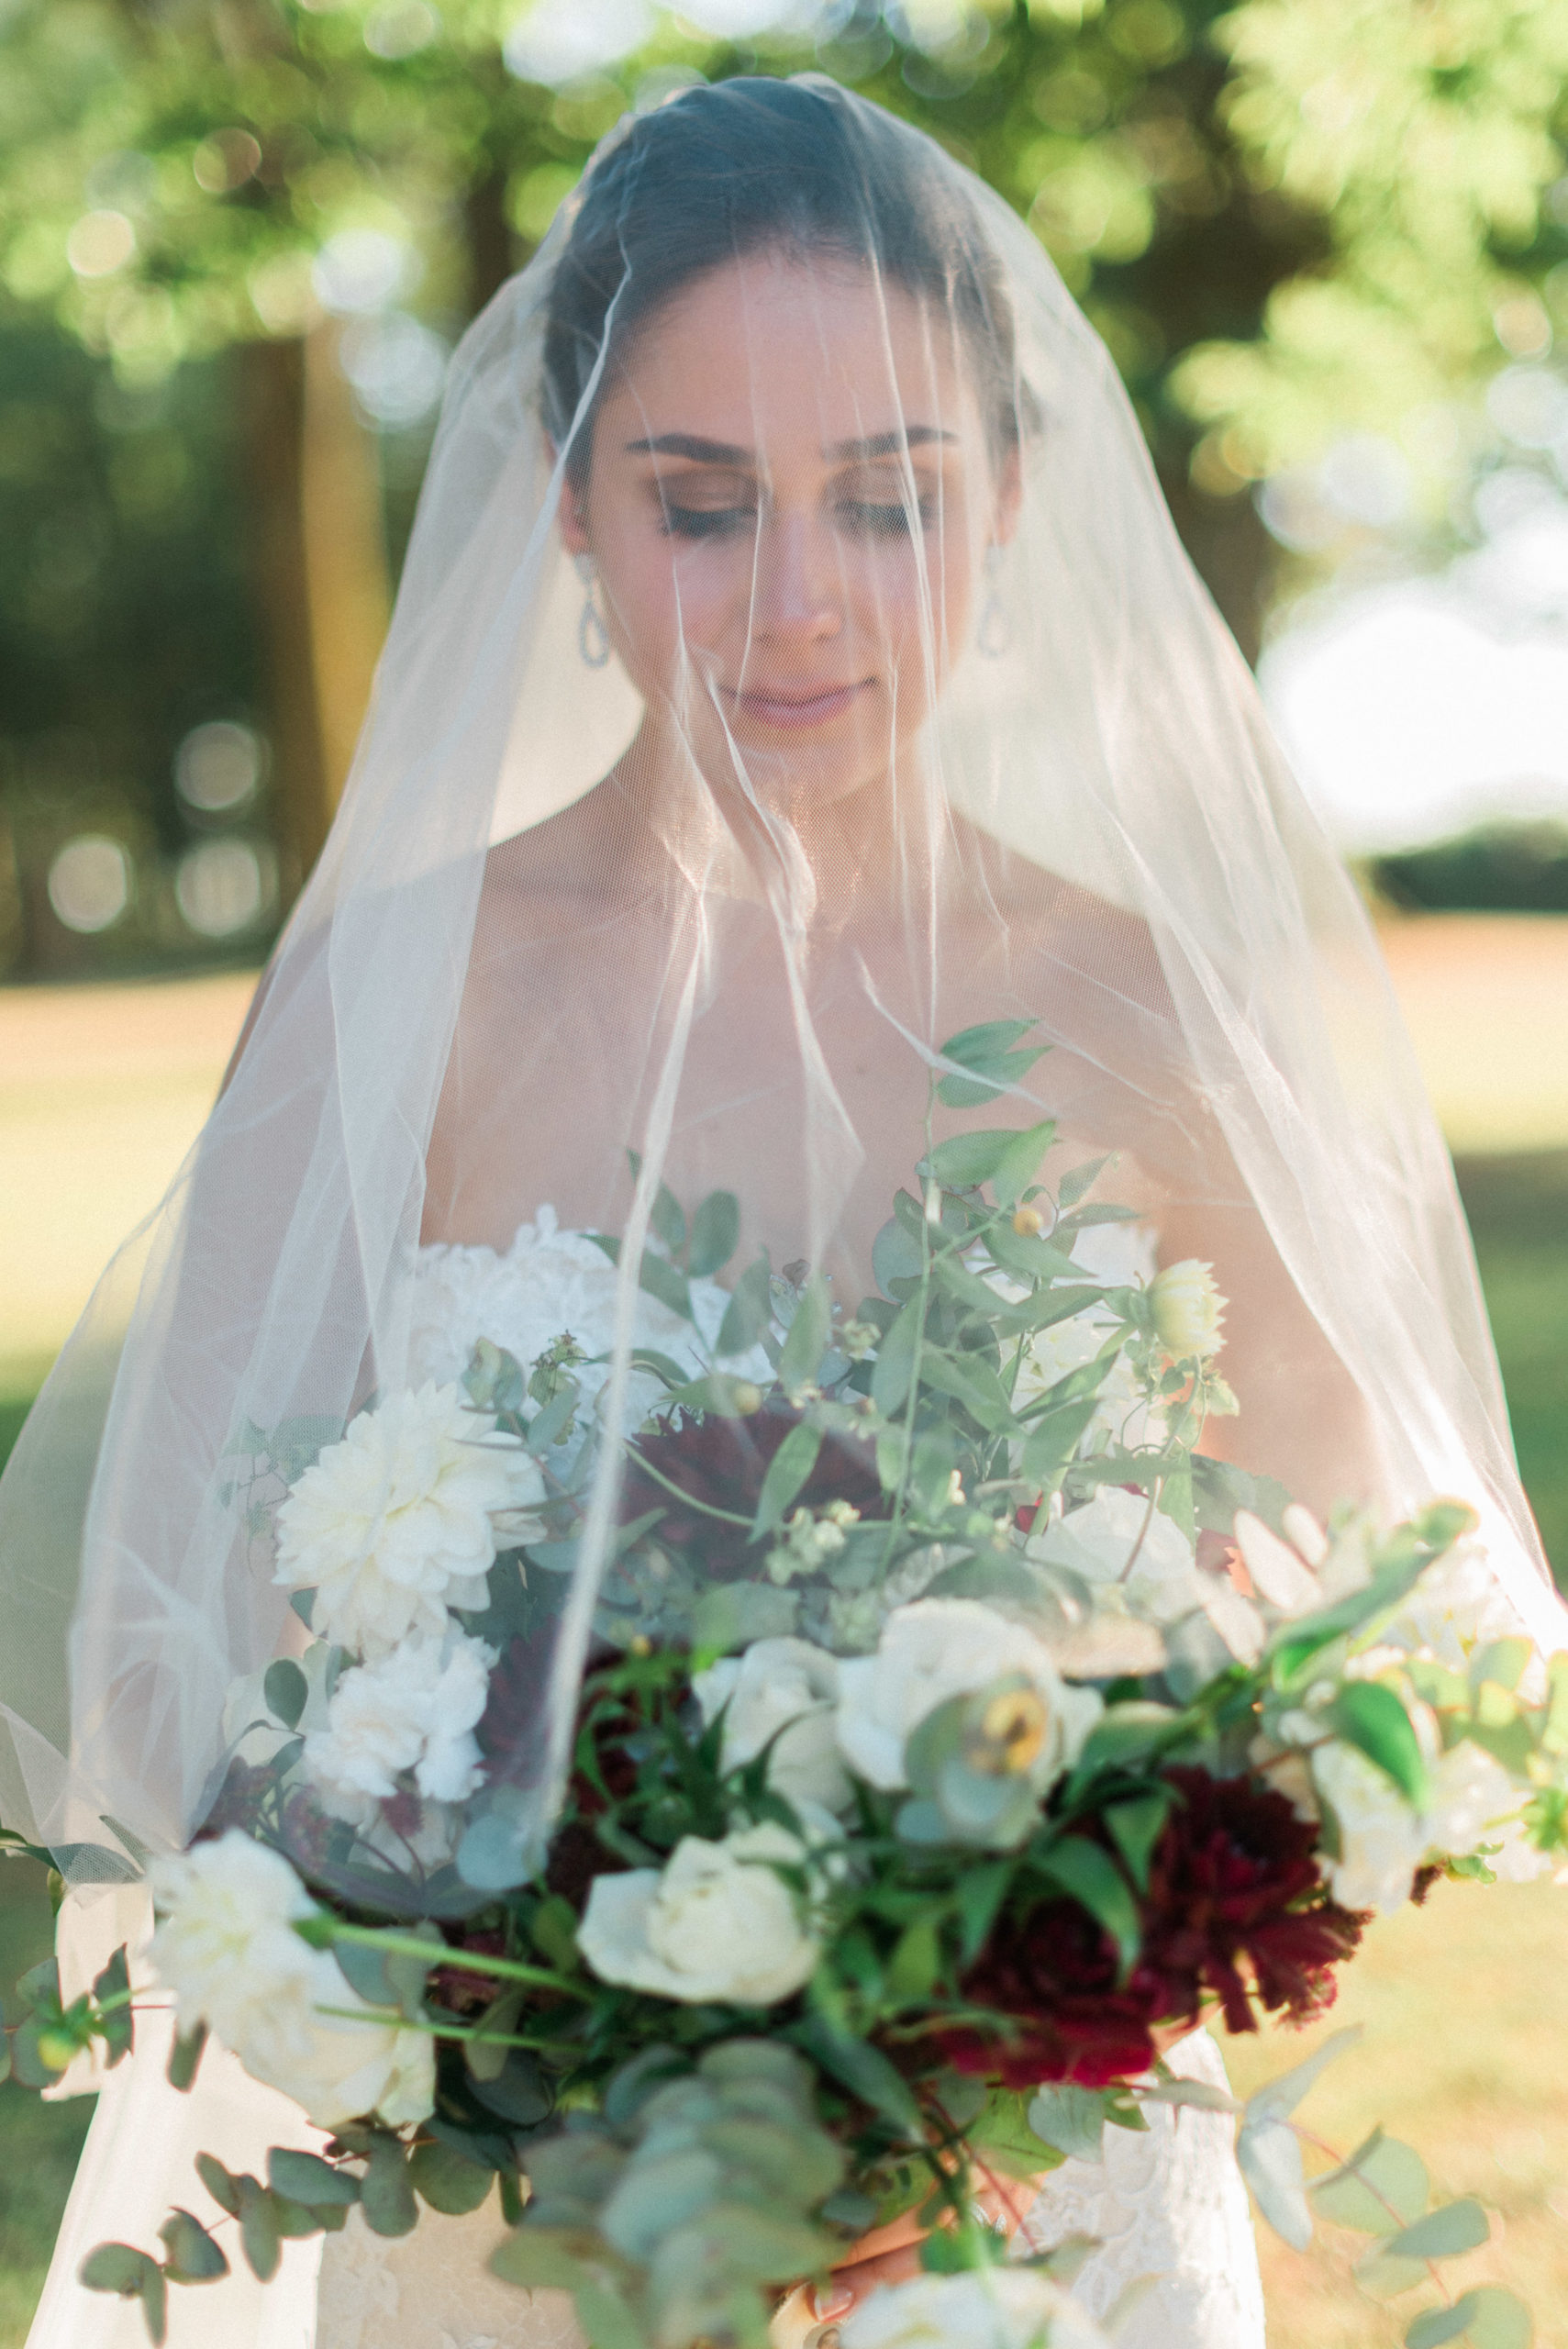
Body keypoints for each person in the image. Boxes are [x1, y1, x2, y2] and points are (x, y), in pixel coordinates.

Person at [6, 74, 1557, 2349]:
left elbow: (1367, 1633)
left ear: (1012, 497)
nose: (800, 603)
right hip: (511, 2210)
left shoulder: (1148, 1013)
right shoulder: (396, 998)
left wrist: (977, 2019)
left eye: (892, 501)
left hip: (1036, 2183)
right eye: (702, 504)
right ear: (562, 502)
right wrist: (561, 2044)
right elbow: (171, 1655)